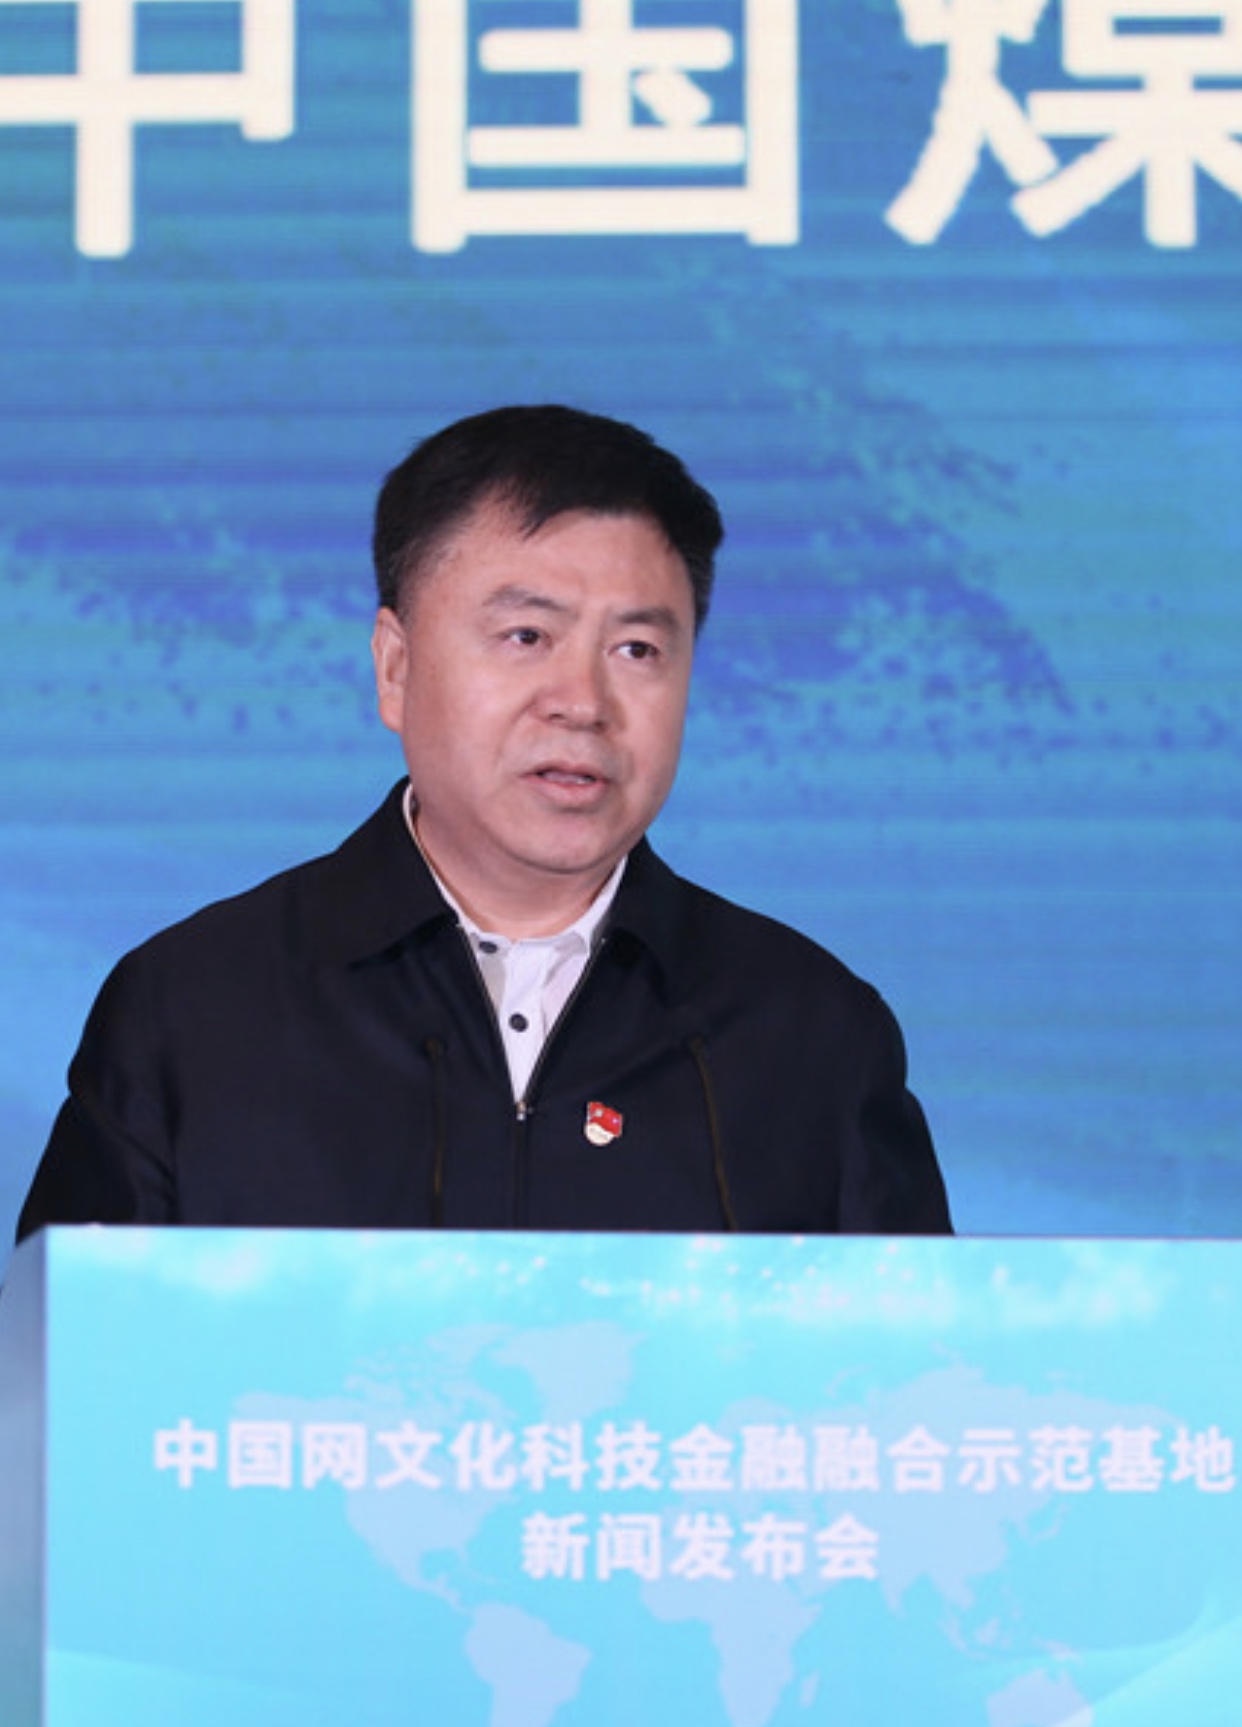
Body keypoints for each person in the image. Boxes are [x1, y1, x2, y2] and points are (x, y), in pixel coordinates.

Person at [17, 405, 950, 1240]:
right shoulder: (194, 1010)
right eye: (526, 636)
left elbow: (918, 1368)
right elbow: (58, 1364)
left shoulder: (812, 1032)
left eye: (637, 649)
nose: (583, 703)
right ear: (395, 667)